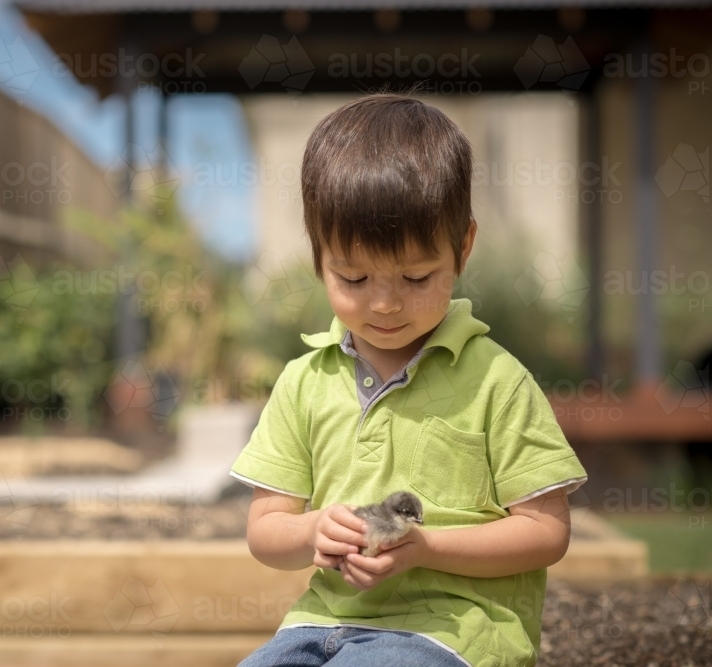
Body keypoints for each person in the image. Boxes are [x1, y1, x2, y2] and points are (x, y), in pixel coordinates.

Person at [229, 92, 589, 667]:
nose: (386, 303)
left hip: (451, 634)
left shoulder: (496, 380)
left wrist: (427, 549)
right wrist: (313, 532)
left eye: (418, 277)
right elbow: (265, 530)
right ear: (318, 256)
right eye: (354, 276)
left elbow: (546, 534)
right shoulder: (304, 381)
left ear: (463, 247)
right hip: (319, 625)